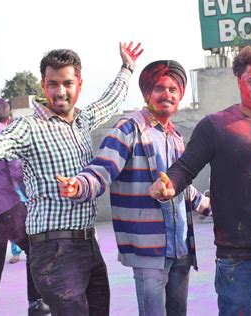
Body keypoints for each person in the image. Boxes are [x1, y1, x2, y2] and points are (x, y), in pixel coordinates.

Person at [0, 41, 143, 315]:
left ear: (79, 84)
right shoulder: (29, 127)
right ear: (43, 85)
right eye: (53, 84)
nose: (60, 91)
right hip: (54, 249)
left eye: (67, 83)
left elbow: (110, 101)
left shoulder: (82, 120)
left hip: (89, 244)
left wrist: (127, 67)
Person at [149, 44, 251, 316]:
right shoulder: (215, 126)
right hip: (237, 260)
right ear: (239, 80)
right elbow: (185, 168)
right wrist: (169, 186)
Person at [57, 60, 211, 316]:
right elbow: (102, 169)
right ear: (147, 93)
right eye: (160, 88)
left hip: (180, 247)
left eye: (174, 89)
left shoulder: (174, 136)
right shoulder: (128, 129)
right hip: (149, 249)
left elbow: (183, 187)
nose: (167, 95)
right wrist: (79, 185)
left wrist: (213, 208)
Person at [0, 98, 49, 315]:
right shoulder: (6, 136)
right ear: (8, 118)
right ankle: (35, 302)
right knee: (34, 250)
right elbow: (16, 171)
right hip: (6, 208)